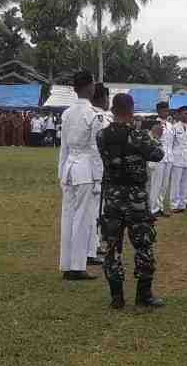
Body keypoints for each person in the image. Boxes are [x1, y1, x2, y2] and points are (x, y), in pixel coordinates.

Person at [97, 93, 166, 309]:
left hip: (112, 198)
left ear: (113, 109)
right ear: (131, 109)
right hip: (136, 199)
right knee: (143, 245)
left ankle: (116, 297)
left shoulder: (102, 135)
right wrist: (154, 135)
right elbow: (157, 154)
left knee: (111, 248)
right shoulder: (138, 135)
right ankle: (143, 295)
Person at [58, 70, 101, 281]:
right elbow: (95, 150)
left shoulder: (66, 113)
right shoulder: (93, 115)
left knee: (67, 218)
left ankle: (67, 264)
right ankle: (77, 267)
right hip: (85, 170)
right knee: (82, 219)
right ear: (89, 87)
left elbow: (63, 148)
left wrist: (61, 173)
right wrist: (99, 178)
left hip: (68, 169)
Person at [89, 84, 112, 264]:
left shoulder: (98, 116)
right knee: (96, 210)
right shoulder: (100, 118)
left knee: (97, 209)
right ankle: (92, 246)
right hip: (98, 170)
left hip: (89, 169)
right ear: (103, 98)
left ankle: (94, 243)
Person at [170, 106, 187, 213]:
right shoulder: (174, 128)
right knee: (176, 183)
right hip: (177, 158)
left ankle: (184, 203)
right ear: (179, 115)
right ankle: (174, 205)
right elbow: (171, 144)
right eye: (185, 114)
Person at [148, 102, 174, 217]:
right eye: (164, 110)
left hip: (168, 157)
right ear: (158, 111)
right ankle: (153, 209)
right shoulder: (154, 123)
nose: (166, 112)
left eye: (167, 110)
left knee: (164, 185)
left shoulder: (169, 125)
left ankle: (160, 207)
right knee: (156, 184)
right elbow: (150, 139)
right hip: (157, 157)